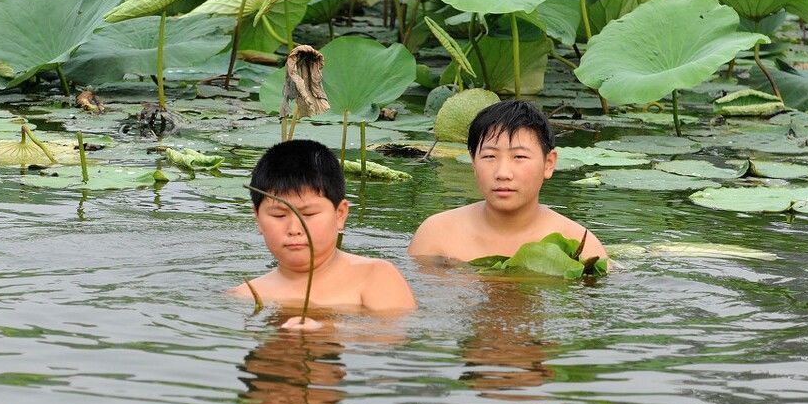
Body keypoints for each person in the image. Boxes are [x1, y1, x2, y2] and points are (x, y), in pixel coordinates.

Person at [230, 139, 416, 323]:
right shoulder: (245, 294)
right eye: (279, 215)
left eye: (309, 214)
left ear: (340, 214)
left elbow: (393, 338)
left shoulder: (375, 276)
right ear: (258, 219)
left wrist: (324, 331)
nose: (294, 229)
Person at [408, 100, 608, 262]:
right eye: (489, 157)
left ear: (549, 163)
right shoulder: (437, 235)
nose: (503, 173)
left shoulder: (579, 246)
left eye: (519, 157)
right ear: (473, 163)